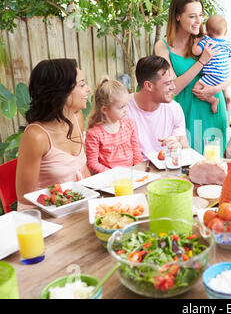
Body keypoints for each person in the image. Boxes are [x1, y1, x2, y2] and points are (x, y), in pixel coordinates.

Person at [154, 0, 231, 155]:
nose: (198, 21)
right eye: (192, 16)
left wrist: (216, 89)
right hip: (185, 111)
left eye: (200, 15)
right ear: (177, 16)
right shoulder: (162, 46)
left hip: (212, 109)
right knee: (187, 165)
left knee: (214, 167)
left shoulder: (208, 39)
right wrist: (202, 61)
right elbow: (173, 88)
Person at [16, 59, 91, 210]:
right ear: (61, 92)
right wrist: (69, 202)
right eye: (82, 85)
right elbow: (24, 196)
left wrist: (94, 196)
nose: (88, 89)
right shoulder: (36, 136)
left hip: (77, 207)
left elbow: (82, 169)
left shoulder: (77, 118)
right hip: (43, 216)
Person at [126, 56, 189, 160]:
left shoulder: (174, 109)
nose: (173, 87)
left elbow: (186, 149)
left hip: (167, 169)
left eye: (172, 81)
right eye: (168, 83)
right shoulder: (123, 109)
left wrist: (178, 147)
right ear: (148, 86)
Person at [85, 78, 143, 174]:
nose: (126, 110)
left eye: (126, 105)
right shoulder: (94, 134)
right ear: (104, 109)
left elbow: (136, 153)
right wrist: (113, 175)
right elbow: (92, 163)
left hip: (130, 176)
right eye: (121, 107)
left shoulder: (129, 125)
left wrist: (138, 170)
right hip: (108, 180)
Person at [191, 14, 231, 114]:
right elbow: (230, 55)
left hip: (212, 75)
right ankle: (227, 97)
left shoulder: (207, 41)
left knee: (196, 89)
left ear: (207, 31)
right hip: (224, 74)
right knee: (223, 82)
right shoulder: (227, 44)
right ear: (226, 31)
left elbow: (196, 52)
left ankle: (213, 100)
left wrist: (195, 43)